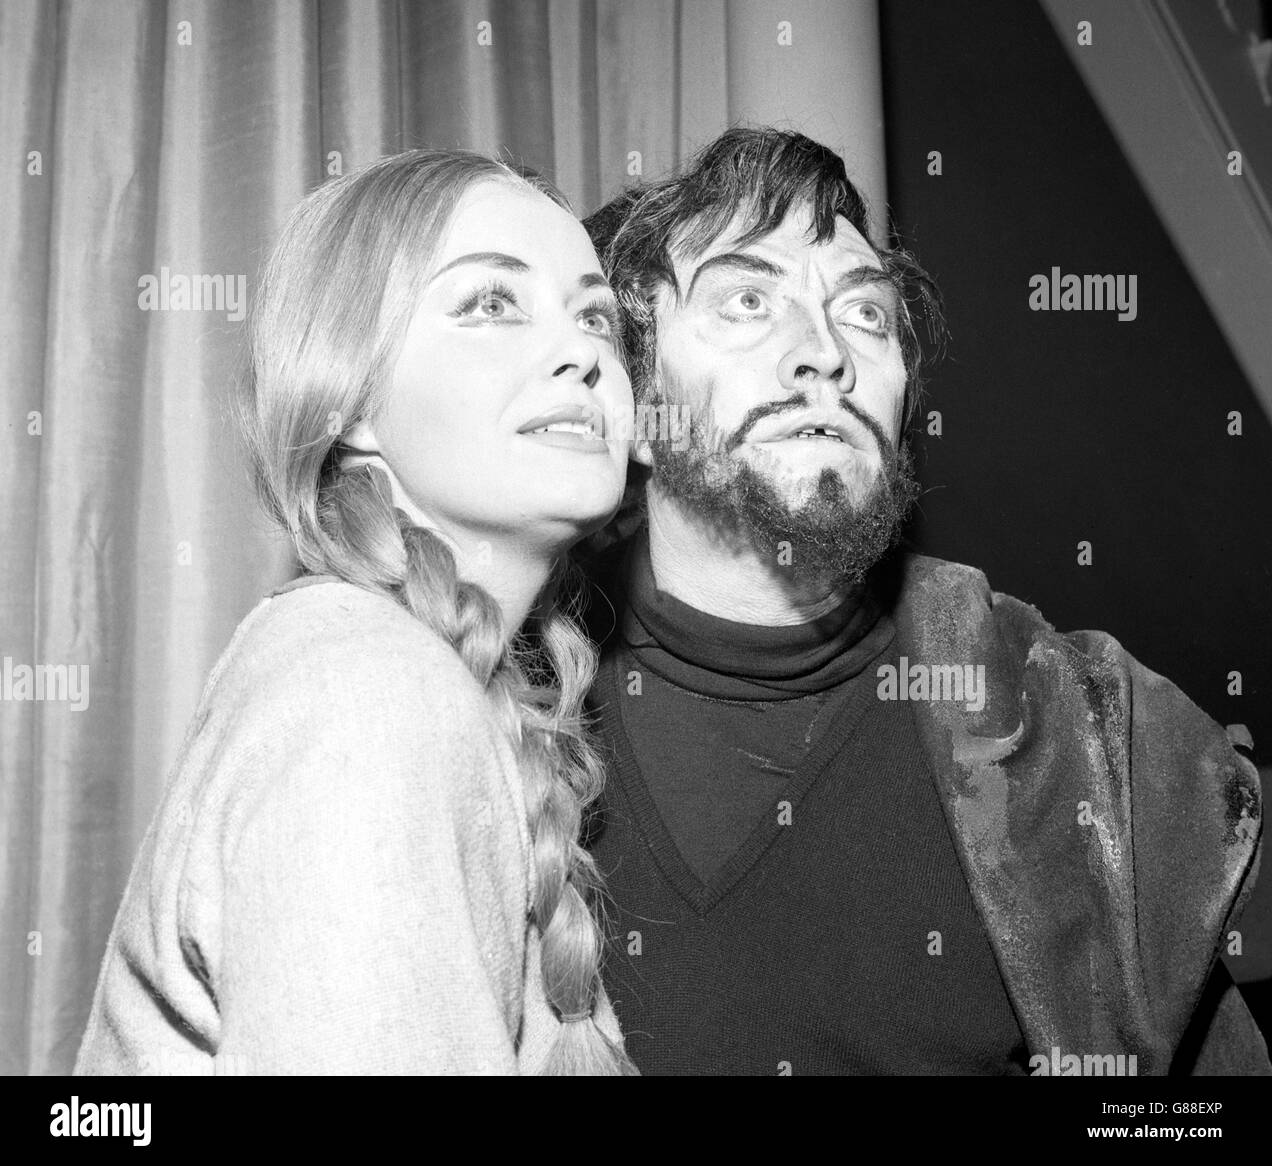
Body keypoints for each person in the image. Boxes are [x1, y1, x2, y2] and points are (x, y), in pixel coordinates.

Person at [578, 125, 1268, 1077]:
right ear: (631, 398)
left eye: (865, 315)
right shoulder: (515, 720)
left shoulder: (1075, 732)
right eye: (747, 299)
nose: (825, 353)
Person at [75, 149, 638, 1075]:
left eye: (594, 316)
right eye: (491, 303)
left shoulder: (410, 676)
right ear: (352, 399)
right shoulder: (372, 695)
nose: (582, 351)